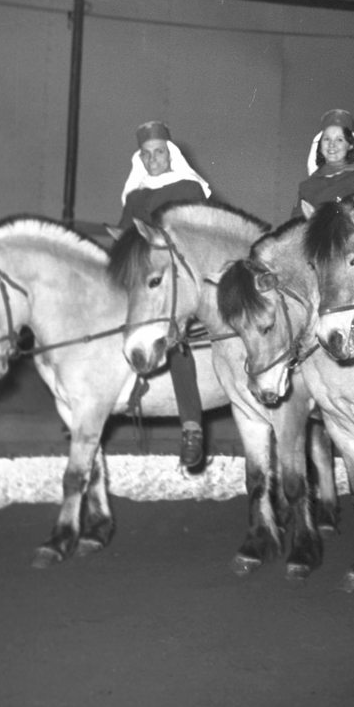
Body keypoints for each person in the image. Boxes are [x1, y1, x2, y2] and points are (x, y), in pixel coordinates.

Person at [119, 121, 212, 474]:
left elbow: (201, 233)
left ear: (170, 154)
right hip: (145, 280)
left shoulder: (189, 187)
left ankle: (191, 428)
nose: (153, 159)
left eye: (159, 152)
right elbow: (124, 239)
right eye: (146, 155)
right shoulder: (135, 196)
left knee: (175, 339)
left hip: (182, 277)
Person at [293, 109, 354, 216]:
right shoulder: (307, 185)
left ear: (350, 145)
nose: (332, 145)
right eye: (327, 139)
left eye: (339, 139)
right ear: (319, 144)